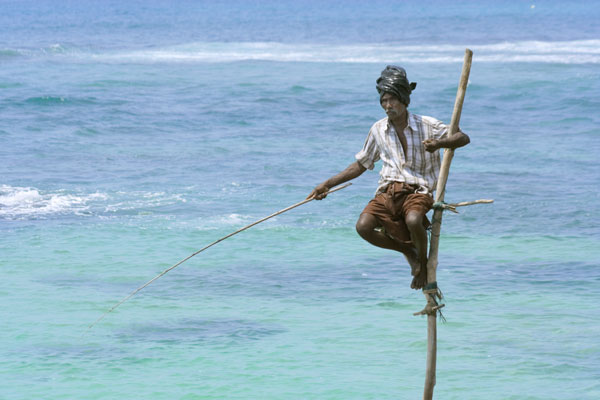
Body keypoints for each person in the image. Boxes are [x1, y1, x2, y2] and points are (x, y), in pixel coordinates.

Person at [308, 65, 470, 290]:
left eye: (392, 99)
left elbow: (463, 138)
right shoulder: (378, 129)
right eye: (384, 101)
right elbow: (361, 164)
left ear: (404, 100)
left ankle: (422, 265)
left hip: (418, 191)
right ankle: (408, 251)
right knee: (363, 227)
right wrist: (326, 184)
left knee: (414, 220)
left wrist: (440, 144)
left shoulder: (428, 125)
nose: (387, 105)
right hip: (388, 192)